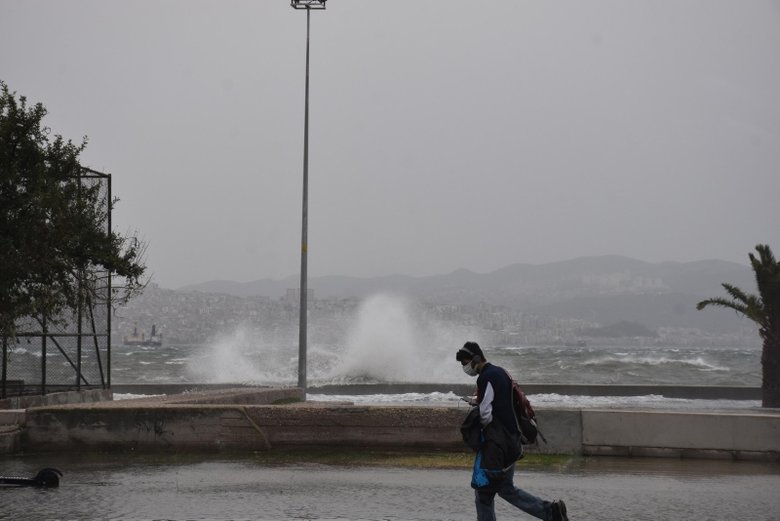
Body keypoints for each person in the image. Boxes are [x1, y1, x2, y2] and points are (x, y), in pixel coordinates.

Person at [456, 341, 569, 521]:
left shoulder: (486, 377)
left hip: (498, 445)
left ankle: (550, 512)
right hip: (511, 440)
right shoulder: (500, 372)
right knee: (500, 489)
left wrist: (482, 426)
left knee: (486, 493)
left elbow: (486, 412)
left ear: (476, 358)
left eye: (465, 362)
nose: (465, 367)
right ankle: (551, 512)